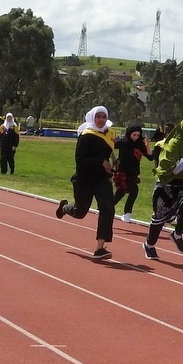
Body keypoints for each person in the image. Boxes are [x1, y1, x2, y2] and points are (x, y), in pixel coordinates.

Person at [142, 117, 183, 260]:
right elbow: (176, 169)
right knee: (159, 218)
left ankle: (177, 234)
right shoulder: (173, 144)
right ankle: (149, 244)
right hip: (166, 185)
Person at [55, 106, 116, 260]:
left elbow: (111, 151)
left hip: (102, 178)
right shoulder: (86, 135)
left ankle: (100, 248)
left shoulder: (109, 134)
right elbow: (80, 160)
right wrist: (101, 161)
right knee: (80, 212)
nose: (101, 119)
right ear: (92, 117)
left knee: (107, 208)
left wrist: (115, 163)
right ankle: (65, 208)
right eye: (98, 116)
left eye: (104, 116)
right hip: (84, 178)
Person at [113, 123, 153, 223]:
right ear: (129, 133)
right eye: (134, 135)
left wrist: (147, 146)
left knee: (121, 192)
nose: (135, 137)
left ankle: (107, 207)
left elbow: (150, 157)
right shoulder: (123, 142)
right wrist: (114, 160)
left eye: (138, 135)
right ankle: (127, 213)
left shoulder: (140, 144)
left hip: (134, 173)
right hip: (122, 172)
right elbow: (109, 146)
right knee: (134, 191)